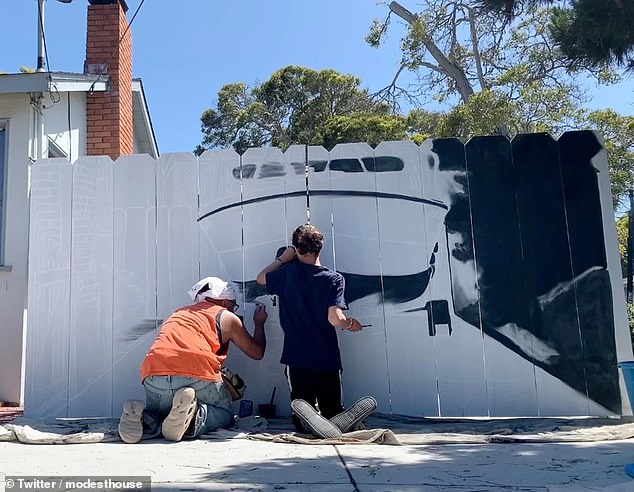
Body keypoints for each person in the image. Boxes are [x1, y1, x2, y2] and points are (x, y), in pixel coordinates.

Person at [256, 223, 376, 437]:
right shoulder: (334, 279)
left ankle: (308, 423)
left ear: (297, 249)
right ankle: (338, 422)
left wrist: (283, 258)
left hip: (297, 357)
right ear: (320, 248)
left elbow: (261, 278)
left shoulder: (287, 274)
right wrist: (351, 324)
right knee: (332, 410)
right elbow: (335, 319)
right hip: (327, 357)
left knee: (302, 413)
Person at [118, 276, 267, 444]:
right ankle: (195, 418)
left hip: (153, 374)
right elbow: (256, 352)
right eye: (233, 306)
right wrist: (259, 324)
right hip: (195, 373)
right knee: (225, 413)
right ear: (225, 303)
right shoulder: (225, 316)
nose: (233, 310)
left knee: (161, 413)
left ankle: (144, 418)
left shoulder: (179, 313)